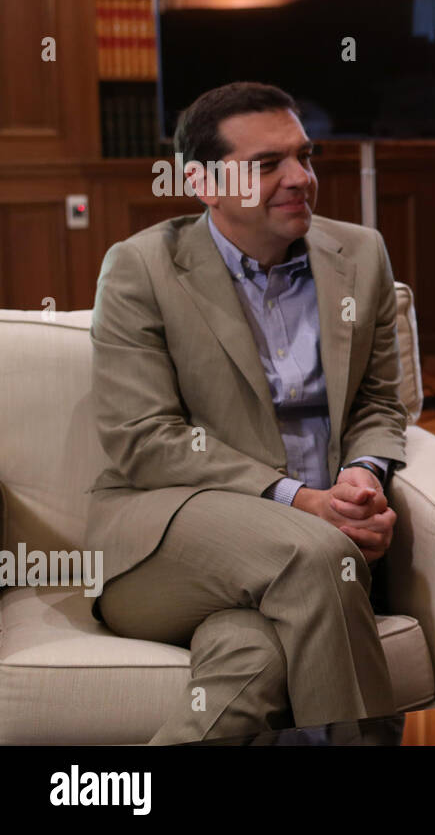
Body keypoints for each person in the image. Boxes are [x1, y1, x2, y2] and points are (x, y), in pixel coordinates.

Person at [88, 81, 408, 744]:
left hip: (308, 548)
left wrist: (363, 476)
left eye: (305, 156)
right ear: (202, 183)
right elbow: (144, 439)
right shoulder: (141, 269)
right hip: (161, 542)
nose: (300, 179)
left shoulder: (361, 256)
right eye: (266, 165)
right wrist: (301, 502)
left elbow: (379, 403)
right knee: (316, 556)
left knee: (251, 656)